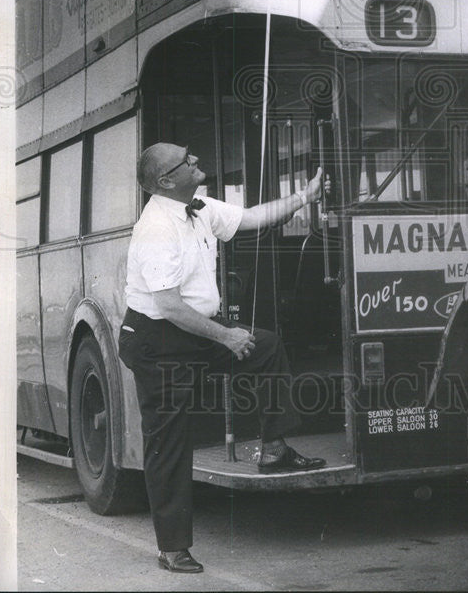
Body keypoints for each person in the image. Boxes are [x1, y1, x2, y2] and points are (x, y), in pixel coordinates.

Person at [118, 142, 326, 574]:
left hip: (194, 330)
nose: (197, 161)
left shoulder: (199, 206)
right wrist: (227, 337)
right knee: (170, 441)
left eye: (193, 154)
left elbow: (251, 218)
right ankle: (172, 548)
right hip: (158, 343)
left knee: (265, 346)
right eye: (186, 161)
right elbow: (170, 306)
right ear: (166, 180)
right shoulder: (155, 227)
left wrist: (304, 197)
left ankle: (272, 449)